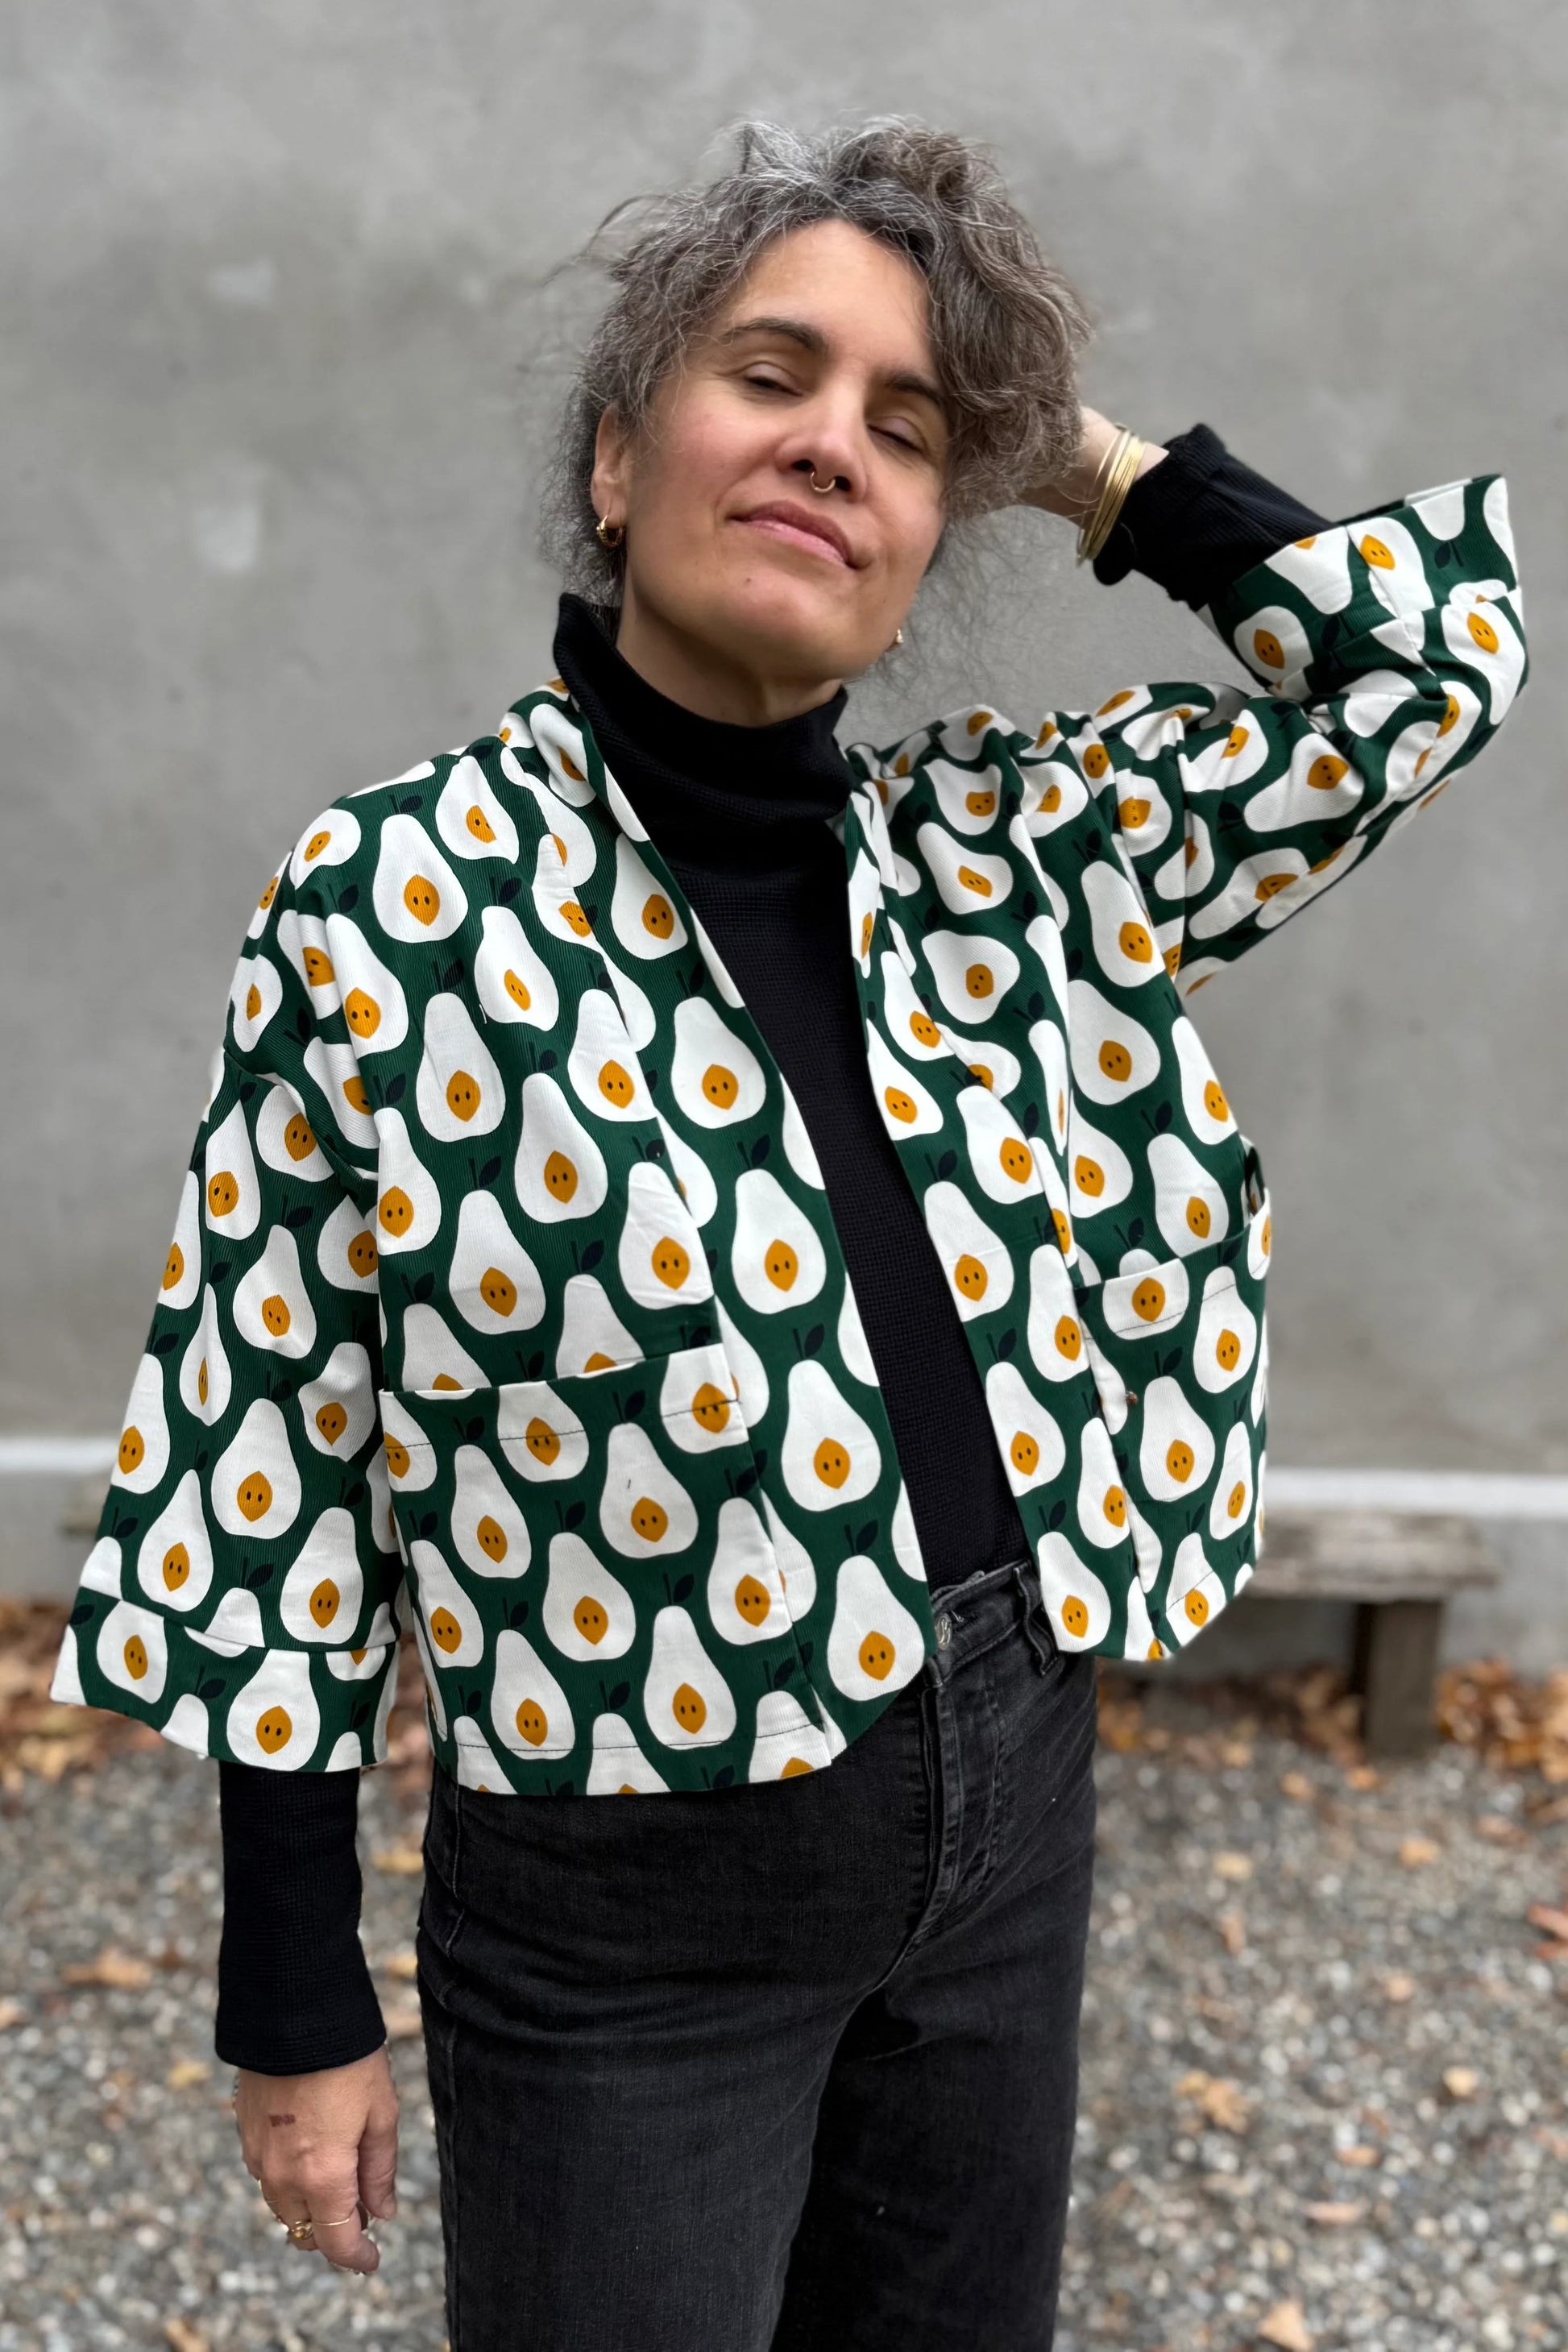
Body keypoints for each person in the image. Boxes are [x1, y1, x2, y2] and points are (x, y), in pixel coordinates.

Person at [51, 115, 1526, 2352]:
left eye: (904, 427)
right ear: (617, 462)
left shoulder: (1024, 855)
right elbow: (278, 1469)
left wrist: (1089, 467)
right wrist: (292, 1993)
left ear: (931, 542)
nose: (833, 442)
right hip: (624, 1908)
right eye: (769, 375)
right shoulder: (392, 908)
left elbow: (1416, 672)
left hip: (1009, 1799)